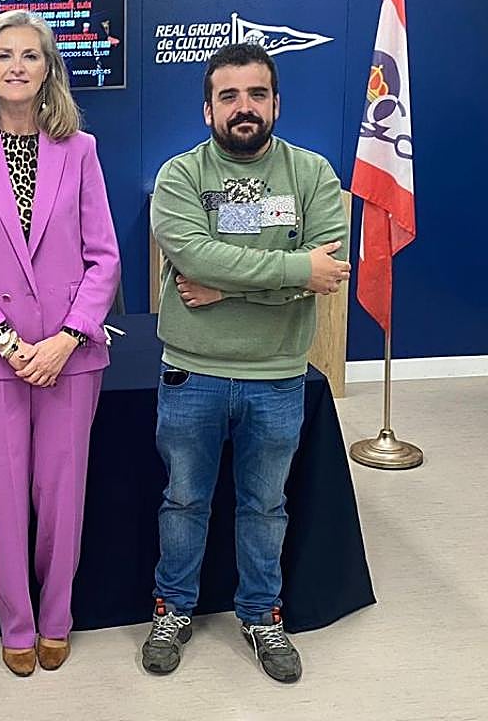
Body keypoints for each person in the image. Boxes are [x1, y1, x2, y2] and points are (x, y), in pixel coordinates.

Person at [143, 42, 350, 683]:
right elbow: (196, 258)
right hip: (192, 372)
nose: (244, 108)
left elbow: (328, 268)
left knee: (265, 507)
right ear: (208, 108)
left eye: (256, 94)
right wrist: (291, 272)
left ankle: (261, 616)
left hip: (278, 375)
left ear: (276, 103)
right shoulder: (180, 177)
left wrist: (228, 284)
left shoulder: (313, 175)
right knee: (184, 502)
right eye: (228, 96)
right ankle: (173, 609)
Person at [0, 10, 121, 676]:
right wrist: (12, 342)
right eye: (4, 54)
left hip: (70, 355)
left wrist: (66, 339)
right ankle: (17, 623)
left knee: (62, 495)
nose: (16, 65)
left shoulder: (81, 150)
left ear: (48, 70)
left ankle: (57, 617)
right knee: (5, 498)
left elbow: (104, 258)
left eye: (30, 55)